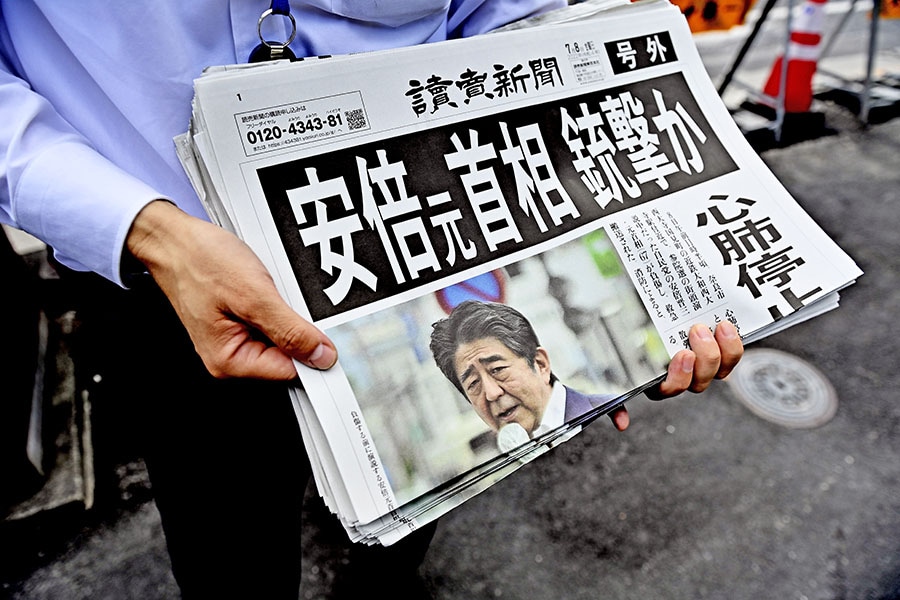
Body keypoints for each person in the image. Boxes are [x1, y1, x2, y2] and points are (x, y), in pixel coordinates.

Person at [0, 2, 743, 598]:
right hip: (161, 277)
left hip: (411, 242)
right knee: (227, 542)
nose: (493, 387)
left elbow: (510, 20)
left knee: (410, 504)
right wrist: (144, 230)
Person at [430, 300, 741, 439]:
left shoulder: (609, 414)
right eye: (472, 384)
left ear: (540, 364)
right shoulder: (502, 455)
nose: (492, 392)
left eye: (497, 369)